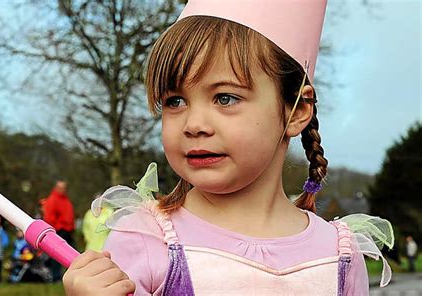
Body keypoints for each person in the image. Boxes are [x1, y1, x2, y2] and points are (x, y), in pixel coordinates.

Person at [63, 1, 394, 295]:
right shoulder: (147, 240)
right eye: (174, 101)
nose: (194, 124)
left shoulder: (339, 254)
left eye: (225, 98)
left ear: (297, 111)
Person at [43, 180, 75, 282]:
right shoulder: (53, 199)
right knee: (57, 256)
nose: (63, 190)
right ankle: (56, 277)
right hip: (59, 230)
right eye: (61, 188)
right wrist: (56, 228)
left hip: (68, 230)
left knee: (73, 255)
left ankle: (72, 277)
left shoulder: (65, 199)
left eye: (64, 188)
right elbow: (49, 217)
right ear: (56, 188)